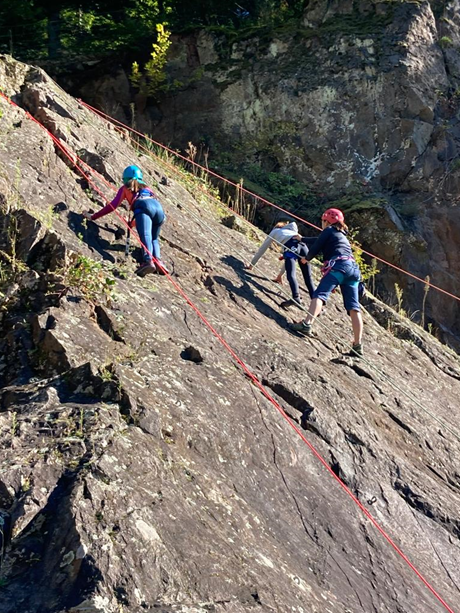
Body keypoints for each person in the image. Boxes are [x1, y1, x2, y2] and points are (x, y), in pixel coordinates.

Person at [289, 208, 364, 357]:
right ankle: (357, 345)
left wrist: (306, 259)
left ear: (326, 221)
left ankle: (306, 324)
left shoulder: (329, 230)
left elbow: (317, 246)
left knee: (319, 294)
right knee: (354, 308)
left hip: (339, 267)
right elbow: (319, 240)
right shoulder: (340, 234)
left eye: (322, 221)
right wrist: (302, 239)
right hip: (353, 270)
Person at [84, 165, 168, 277]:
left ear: (125, 179)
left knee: (145, 235)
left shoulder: (125, 188)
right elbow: (146, 219)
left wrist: (94, 217)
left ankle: (148, 261)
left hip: (143, 207)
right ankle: (158, 262)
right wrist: (132, 224)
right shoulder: (148, 189)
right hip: (159, 210)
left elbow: (112, 206)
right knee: (154, 238)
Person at [245, 220, 315, 307]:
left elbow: (263, 248)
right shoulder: (293, 232)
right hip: (304, 246)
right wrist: (280, 275)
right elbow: (287, 262)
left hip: (291, 244)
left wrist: (251, 265)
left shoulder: (275, 231)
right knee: (308, 277)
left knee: (291, 274)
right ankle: (316, 305)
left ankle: (296, 296)